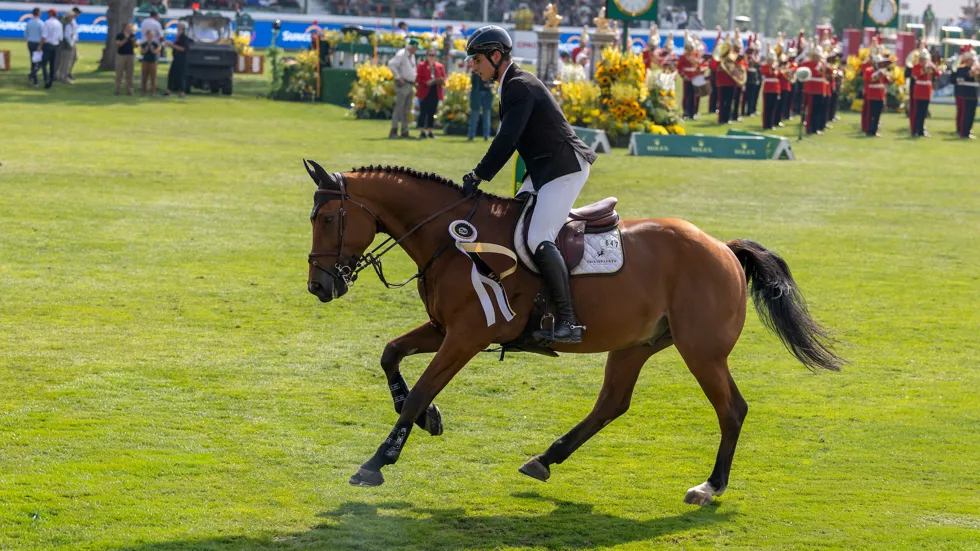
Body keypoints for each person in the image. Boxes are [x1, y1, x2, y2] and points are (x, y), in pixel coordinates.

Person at [460, 25, 597, 344]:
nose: (473, 65)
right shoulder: (511, 84)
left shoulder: (519, 86)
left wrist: (479, 174)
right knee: (512, 224)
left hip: (564, 167)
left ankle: (569, 320)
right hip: (544, 169)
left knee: (538, 237)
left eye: (476, 59)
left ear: (496, 56)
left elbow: (507, 139)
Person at [387, 37, 418, 139]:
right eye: (415, 48)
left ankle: (405, 131)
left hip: (410, 84)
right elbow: (391, 64)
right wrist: (398, 77)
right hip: (403, 84)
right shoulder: (401, 54)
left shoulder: (411, 55)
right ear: (411, 47)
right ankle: (393, 130)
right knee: (399, 108)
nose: (416, 50)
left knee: (406, 110)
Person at [415, 47, 446, 139]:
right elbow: (418, 79)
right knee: (423, 112)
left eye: (433, 55)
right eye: (430, 55)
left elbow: (444, 78)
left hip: (435, 91)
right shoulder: (421, 65)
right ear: (426, 56)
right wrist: (426, 82)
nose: (431, 57)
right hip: (424, 91)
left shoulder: (440, 66)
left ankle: (430, 131)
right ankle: (422, 131)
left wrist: (440, 80)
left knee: (432, 112)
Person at [910, 49, 936, 137]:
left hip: (927, 92)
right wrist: (925, 69)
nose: (924, 61)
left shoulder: (929, 66)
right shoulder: (916, 66)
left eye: (925, 59)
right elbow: (916, 74)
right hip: (919, 91)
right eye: (922, 59)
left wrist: (933, 67)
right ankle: (915, 130)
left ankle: (921, 130)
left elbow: (937, 73)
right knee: (917, 112)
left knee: (924, 112)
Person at [953, 47, 978, 139]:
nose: (973, 62)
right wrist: (970, 74)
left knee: (972, 114)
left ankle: (969, 130)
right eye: (972, 60)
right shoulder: (961, 70)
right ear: (967, 61)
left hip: (974, 94)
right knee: (965, 114)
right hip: (965, 94)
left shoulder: (977, 69)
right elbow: (960, 80)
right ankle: (963, 132)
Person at [864, 57, 892, 137]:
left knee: (877, 114)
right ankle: (869, 130)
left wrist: (886, 74)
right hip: (872, 95)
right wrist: (878, 73)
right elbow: (869, 79)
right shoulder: (869, 70)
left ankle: (874, 130)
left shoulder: (882, 71)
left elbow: (888, 81)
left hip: (880, 95)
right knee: (871, 114)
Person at [467, 63, 493, 141]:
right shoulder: (475, 69)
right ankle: (471, 135)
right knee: (474, 115)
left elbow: (492, 82)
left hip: (487, 94)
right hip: (476, 95)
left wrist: (490, 85)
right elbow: (473, 81)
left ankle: (486, 136)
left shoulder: (490, 68)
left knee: (486, 116)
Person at [164, 21, 190, 97]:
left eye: (179, 27)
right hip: (176, 58)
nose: (178, 29)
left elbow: (183, 49)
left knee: (181, 75)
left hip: (182, 59)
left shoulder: (184, 38)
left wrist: (172, 45)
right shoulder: (178, 37)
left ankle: (182, 91)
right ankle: (169, 90)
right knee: (172, 74)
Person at [39, 9, 62, 89]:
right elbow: (60, 37)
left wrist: (40, 46)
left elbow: (44, 36)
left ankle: (46, 78)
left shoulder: (47, 22)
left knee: (44, 63)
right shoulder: (59, 23)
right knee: (53, 64)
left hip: (47, 44)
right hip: (55, 45)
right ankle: (51, 79)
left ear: (51, 14)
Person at [114, 23, 138, 95]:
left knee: (130, 74)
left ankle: (129, 90)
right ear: (125, 28)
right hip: (121, 55)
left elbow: (136, 45)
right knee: (119, 73)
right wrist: (126, 39)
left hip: (130, 56)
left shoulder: (132, 36)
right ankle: (117, 90)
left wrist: (134, 42)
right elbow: (119, 44)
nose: (130, 28)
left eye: (130, 27)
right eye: (128, 27)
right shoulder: (120, 35)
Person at [24, 7, 44, 88]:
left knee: (33, 61)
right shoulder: (41, 23)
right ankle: (32, 74)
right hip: (38, 44)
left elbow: (26, 34)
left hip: (30, 43)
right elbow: (43, 35)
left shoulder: (29, 23)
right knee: (41, 62)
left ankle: (35, 80)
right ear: (39, 13)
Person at [55, 12, 75, 84]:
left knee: (62, 62)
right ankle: (63, 78)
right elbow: (67, 36)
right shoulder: (68, 25)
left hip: (61, 45)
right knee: (66, 63)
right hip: (67, 46)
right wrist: (71, 44)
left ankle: (60, 76)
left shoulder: (63, 23)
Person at [140, 29, 161, 96]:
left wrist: (152, 49)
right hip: (145, 61)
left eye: (152, 35)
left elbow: (156, 51)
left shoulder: (156, 44)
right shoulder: (144, 44)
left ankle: (153, 91)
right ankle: (143, 91)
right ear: (147, 36)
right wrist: (145, 50)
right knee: (144, 77)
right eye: (149, 35)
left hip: (153, 62)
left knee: (153, 77)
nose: (150, 36)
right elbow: (142, 52)